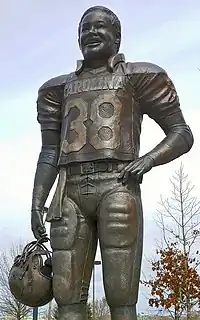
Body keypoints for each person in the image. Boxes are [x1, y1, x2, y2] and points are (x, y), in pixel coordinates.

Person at [31, 5, 193, 320]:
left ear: (116, 37)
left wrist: (147, 160)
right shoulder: (56, 89)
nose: (90, 32)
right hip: (69, 192)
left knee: (121, 295)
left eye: (99, 26)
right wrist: (38, 201)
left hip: (117, 184)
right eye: (84, 28)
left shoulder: (139, 77)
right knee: (66, 296)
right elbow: (50, 151)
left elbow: (181, 133)